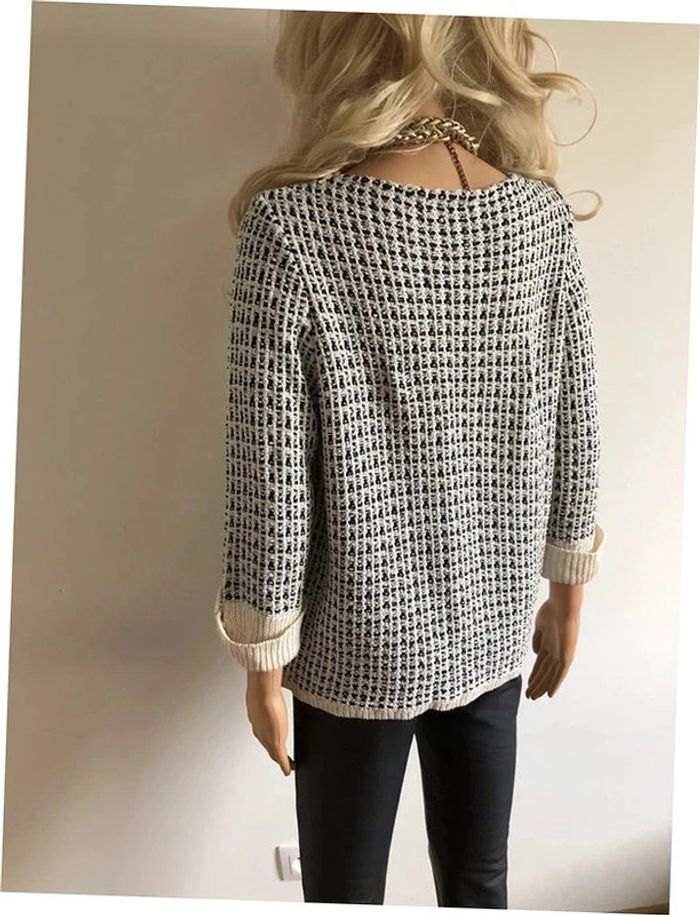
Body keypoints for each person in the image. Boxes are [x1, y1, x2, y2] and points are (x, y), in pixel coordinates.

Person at [213, 12, 606, 908]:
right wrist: (567, 599)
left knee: (343, 890)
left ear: (335, 41)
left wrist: (264, 664)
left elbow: (269, 476)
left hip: (355, 641)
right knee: (480, 878)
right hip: (496, 620)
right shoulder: (539, 220)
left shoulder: (293, 225)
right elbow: (578, 427)